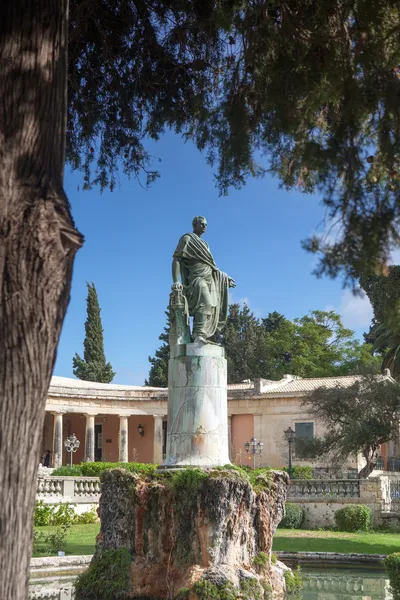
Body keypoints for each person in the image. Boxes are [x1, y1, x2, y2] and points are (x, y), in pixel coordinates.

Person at [172, 216, 235, 342]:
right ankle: (198, 334)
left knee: (211, 306)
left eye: (206, 225)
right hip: (196, 278)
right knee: (205, 303)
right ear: (195, 225)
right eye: (202, 224)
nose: (205, 227)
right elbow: (177, 260)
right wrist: (176, 281)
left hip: (209, 278)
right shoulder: (187, 239)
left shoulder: (205, 244)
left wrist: (224, 277)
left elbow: (210, 265)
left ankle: (202, 334)